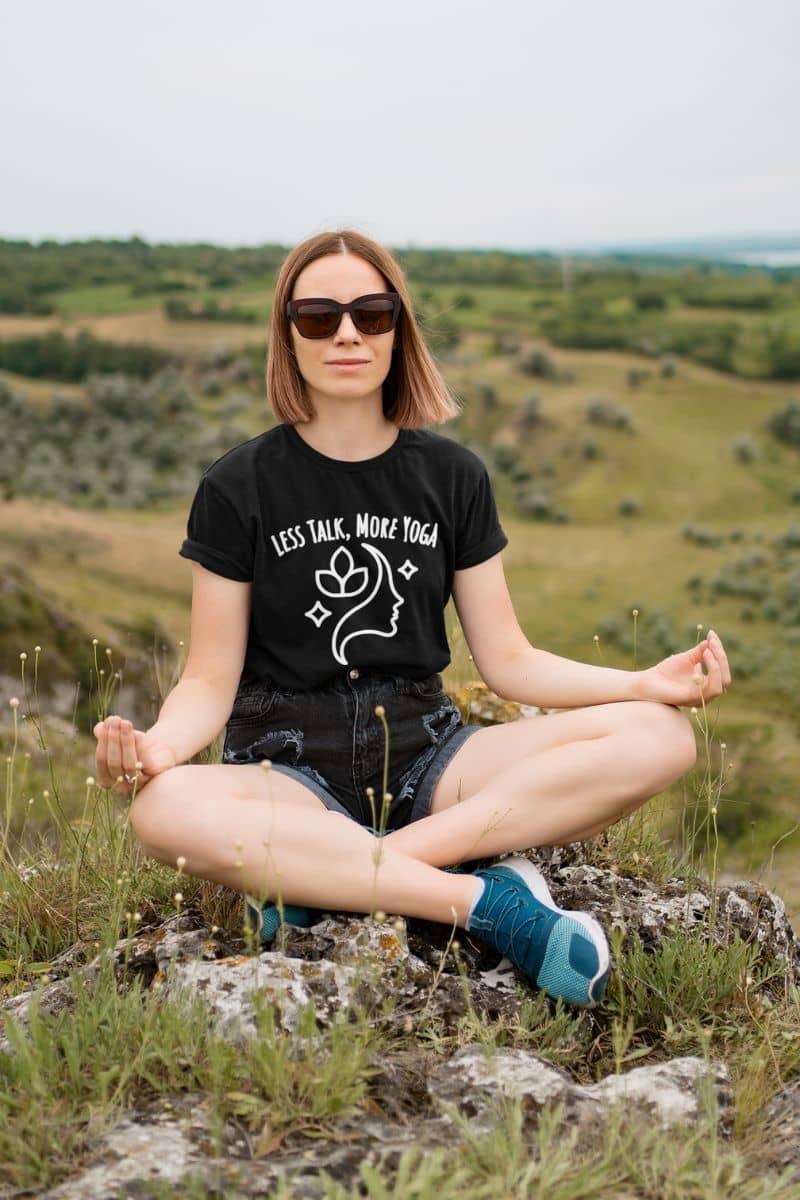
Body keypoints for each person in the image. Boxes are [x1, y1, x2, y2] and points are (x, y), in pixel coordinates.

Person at [93, 228, 732, 1008]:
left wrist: (641, 681)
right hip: (284, 764)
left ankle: (340, 875)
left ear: (400, 329)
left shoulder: (452, 476)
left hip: (432, 757)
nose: (348, 333)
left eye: (371, 311)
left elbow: (509, 662)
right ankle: (488, 906)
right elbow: (208, 677)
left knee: (659, 734)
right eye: (318, 316)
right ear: (288, 337)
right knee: (161, 811)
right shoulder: (239, 485)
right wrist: (154, 750)